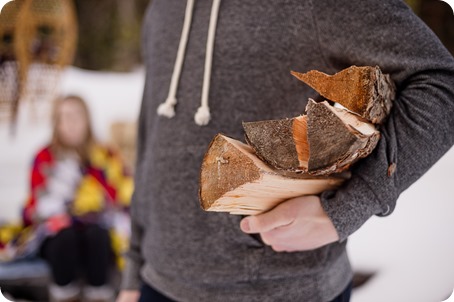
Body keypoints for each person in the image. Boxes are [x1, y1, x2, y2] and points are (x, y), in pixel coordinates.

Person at [117, 1, 454, 301]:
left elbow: (441, 84)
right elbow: (153, 137)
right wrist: (134, 269)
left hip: (285, 289)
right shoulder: (161, 9)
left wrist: (345, 210)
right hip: (158, 285)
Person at [23, 95, 133, 302]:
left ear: (87, 120)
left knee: (97, 235)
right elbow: (38, 205)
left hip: (100, 229)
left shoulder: (105, 155)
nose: (70, 123)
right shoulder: (45, 157)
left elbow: (122, 194)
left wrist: (93, 204)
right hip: (60, 233)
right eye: (64, 117)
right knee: (65, 237)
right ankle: (65, 295)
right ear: (56, 122)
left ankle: (99, 295)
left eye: (76, 116)